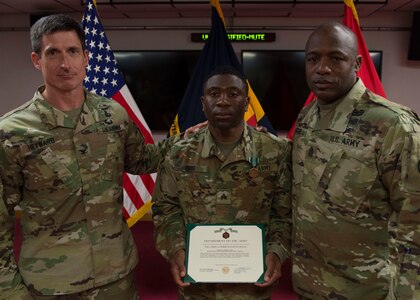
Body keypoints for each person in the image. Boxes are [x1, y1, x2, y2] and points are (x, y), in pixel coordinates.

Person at [0, 14, 173, 299]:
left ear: (86, 57)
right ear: (36, 60)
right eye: (52, 52)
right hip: (52, 283)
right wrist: (9, 290)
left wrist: (189, 138)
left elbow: (142, 160)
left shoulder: (113, 115)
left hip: (116, 277)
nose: (65, 64)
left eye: (73, 51)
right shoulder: (11, 132)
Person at [292, 22, 420, 299]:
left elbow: (414, 220)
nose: (322, 68)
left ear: (357, 63)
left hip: (366, 290)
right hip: (309, 283)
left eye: (335, 58)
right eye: (313, 59)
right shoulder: (308, 116)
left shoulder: (393, 124)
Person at [152, 65, 292, 299]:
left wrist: (276, 253)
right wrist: (176, 249)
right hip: (197, 287)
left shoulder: (274, 152)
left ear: (247, 103)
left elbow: (284, 213)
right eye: (214, 94)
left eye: (233, 94)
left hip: (252, 288)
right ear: (203, 103)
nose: (223, 101)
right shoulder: (179, 153)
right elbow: (166, 210)